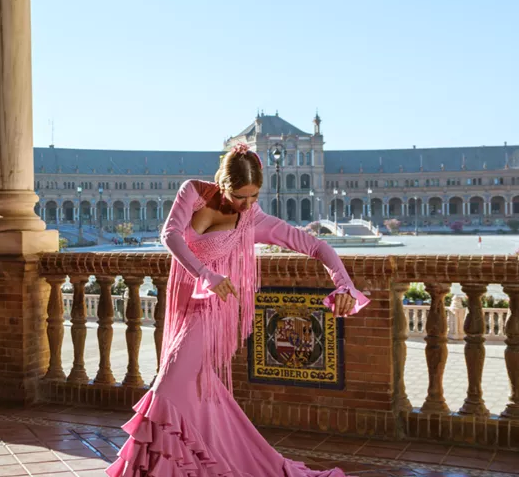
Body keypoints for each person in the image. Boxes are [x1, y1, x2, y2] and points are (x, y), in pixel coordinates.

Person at [107, 144, 370, 477]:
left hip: (215, 311)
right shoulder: (193, 191)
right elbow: (170, 235)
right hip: (184, 302)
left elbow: (315, 246)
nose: (247, 205)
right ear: (221, 183)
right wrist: (206, 274)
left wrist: (343, 284)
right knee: (194, 391)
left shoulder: (254, 220)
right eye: (239, 196)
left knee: (169, 386)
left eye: (254, 196)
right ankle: (214, 464)